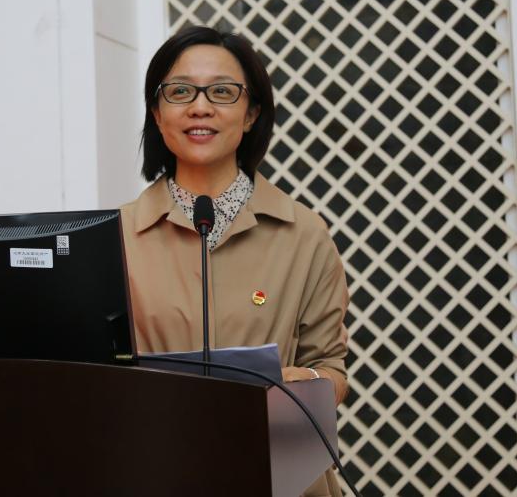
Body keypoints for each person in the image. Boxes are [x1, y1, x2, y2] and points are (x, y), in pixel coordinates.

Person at [120, 25, 350, 497]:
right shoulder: (115, 235)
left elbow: (331, 369)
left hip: (280, 478)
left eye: (222, 92)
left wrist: (302, 381)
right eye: (180, 91)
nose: (200, 107)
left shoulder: (304, 233)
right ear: (157, 113)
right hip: (158, 473)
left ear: (251, 114)